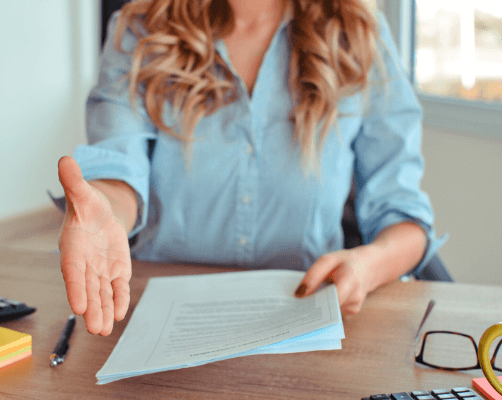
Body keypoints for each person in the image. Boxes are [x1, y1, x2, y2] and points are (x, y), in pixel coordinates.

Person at [57, 0, 444, 336]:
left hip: (307, 321)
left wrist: (369, 265)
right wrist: (104, 211)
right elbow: (118, 169)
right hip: (157, 319)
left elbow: (404, 215)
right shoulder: (140, 29)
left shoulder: (360, 34)